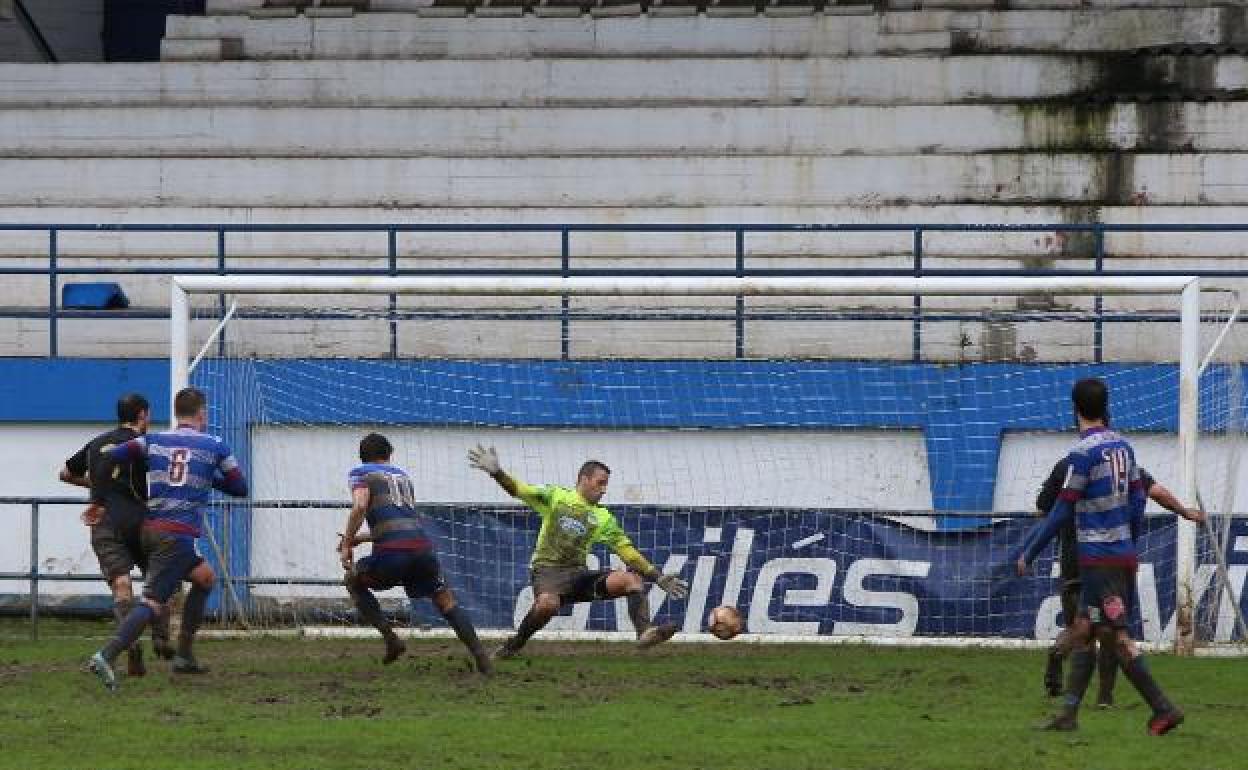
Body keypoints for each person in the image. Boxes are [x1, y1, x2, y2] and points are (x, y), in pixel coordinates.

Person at [1018, 378, 1184, 735]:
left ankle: (1164, 708)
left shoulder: (1083, 453)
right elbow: (1139, 499)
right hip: (1120, 555)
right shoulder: (1124, 447)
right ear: (1106, 406)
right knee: (1084, 628)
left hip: (1098, 558)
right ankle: (1068, 715)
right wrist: (1130, 539)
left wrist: (1029, 552)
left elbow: (1061, 511)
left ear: (1075, 408)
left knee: (1117, 638)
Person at [86, 387, 248, 691]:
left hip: (151, 529)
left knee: (204, 578)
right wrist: (208, 476)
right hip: (176, 534)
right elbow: (240, 487)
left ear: (176, 413)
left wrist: (99, 500)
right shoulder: (215, 445)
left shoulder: (153, 440)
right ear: (202, 413)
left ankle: (184, 654)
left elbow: (108, 459)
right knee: (153, 602)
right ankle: (106, 655)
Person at [467, 445, 689, 658]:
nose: (603, 489)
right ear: (584, 479)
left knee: (632, 580)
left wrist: (658, 577)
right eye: (600, 483)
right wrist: (497, 473)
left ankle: (645, 632)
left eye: (606, 485)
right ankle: (515, 644)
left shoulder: (603, 517)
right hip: (548, 573)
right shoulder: (556, 497)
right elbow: (520, 490)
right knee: (547, 604)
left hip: (579, 576)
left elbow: (628, 553)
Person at [1035, 457, 1205, 705]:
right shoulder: (1122, 464)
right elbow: (1157, 492)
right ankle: (1104, 698)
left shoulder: (1067, 465)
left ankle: (1060, 657)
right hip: (1108, 562)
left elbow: (1043, 509)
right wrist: (1184, 511)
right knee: (1108, 630)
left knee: (1084, 627)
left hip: (1076, 560)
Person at [337, 433, 492, 675]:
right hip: (422, 550)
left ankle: (391, 639)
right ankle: (481, 657)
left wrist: (347, 541)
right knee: (446, 601)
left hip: (392, 556)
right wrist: (361, 538)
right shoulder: (403, 478)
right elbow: (404, 523)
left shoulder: (360, 473)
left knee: (352, 581)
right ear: (389, 454)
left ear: (363, 457)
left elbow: (359, 506)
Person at [59, 393, 173, 676]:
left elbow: (64, 473)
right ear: (143, 415)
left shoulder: (96, 443)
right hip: (140, 524)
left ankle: (131, 646)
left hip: (104, 524)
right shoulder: (143, 444)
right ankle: (161, 637)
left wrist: (96, 484)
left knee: (122, 587)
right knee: (160, 580)